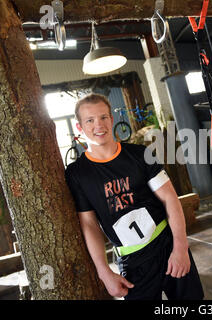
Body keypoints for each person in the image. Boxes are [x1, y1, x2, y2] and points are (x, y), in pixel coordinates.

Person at [65, 93, 204, 300]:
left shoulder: (139, 154)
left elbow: (170, 198)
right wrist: (104, 273)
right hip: (132, 262)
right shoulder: (77, 173)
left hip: (167, 246)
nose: (99, 125)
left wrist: (181, 248)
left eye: (103, 117)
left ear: (111, 119)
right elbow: (89, 223)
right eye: (90, 120)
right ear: (80, 128)